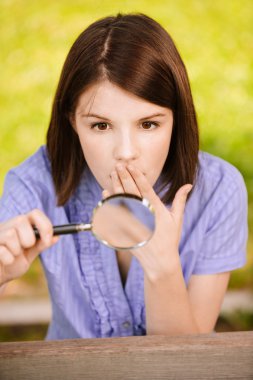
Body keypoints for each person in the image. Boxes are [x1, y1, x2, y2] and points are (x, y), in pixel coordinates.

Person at [0, 13, 248, 339]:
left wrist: (163, 268)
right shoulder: (36, 181)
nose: (126, 152)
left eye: (148, 124)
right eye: (101, 126)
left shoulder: (219, 190)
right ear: (73, 122)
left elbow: (186, 364)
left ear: (177, 119)